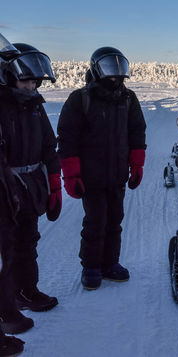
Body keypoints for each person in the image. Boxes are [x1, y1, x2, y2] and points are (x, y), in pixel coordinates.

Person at [57, 47, 146, 291]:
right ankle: (91, 266)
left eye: (119, 68)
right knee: (96, 221)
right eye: (110, 67)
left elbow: (137, 132)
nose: (116, 75)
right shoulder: (80, 98)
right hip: (91, 175)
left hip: (117, 174)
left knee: (115, 220)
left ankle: (110, 263)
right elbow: (67, 138)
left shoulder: (128, 99)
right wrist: (72, 174)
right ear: (97, 69)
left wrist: (137, 164)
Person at [0, 42, 61, 336]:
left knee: (28, 244)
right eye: (26, 78)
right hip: (5, 190)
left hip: (31, 187)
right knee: (7, 252)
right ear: (8, 76)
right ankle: (6, 309)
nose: (32, 84)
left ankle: (27, 291)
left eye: (35, 80)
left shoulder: (35, 107)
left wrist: (54, 185)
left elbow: (49, 147)